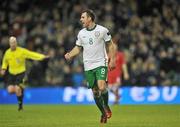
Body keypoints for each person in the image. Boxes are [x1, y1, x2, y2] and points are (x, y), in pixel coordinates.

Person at [64, 9, 115, 123]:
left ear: (89, 18)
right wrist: (70, 54)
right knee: (95, 91)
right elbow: (78, 48)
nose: (81, 19)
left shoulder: (102, 30)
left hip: (101, 62)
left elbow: (111, 45)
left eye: (83, 17)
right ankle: (103, 114)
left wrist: (112, 60)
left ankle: (106, 106)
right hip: (88, 65)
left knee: (102, 87)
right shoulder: (81, 33)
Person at [0, 36, 49, 111]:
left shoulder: (22, 51)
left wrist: (42, 56)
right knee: (10, 91)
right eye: (12, 43)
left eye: (14, 42)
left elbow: (31, 54)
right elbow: (5, 62)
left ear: (16, 43)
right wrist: (3, 69)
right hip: (11, 74)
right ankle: (21, 89)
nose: (13, 44)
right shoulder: (7, 53)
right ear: (9, 44)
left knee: (17, 88)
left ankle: (20, 107)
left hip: (21, 73)